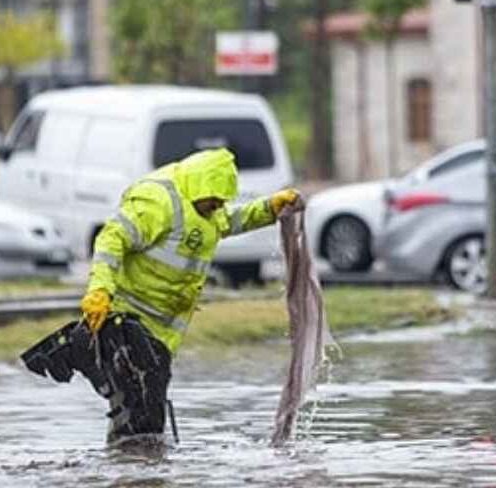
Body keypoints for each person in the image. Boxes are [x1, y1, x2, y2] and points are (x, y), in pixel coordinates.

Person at [24, 147, 301, 447]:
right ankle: (137, 464)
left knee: (141, 409)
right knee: (143, 408)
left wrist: (270, 208)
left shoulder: (207, 210)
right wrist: (99, 290)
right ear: (200, 187)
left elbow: (233, 220)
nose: (218, 207)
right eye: (214, 200)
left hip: (163, 334)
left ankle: (129, 463)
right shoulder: (158, 202)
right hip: (127, 321)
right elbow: (111, 238)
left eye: (221, 202)